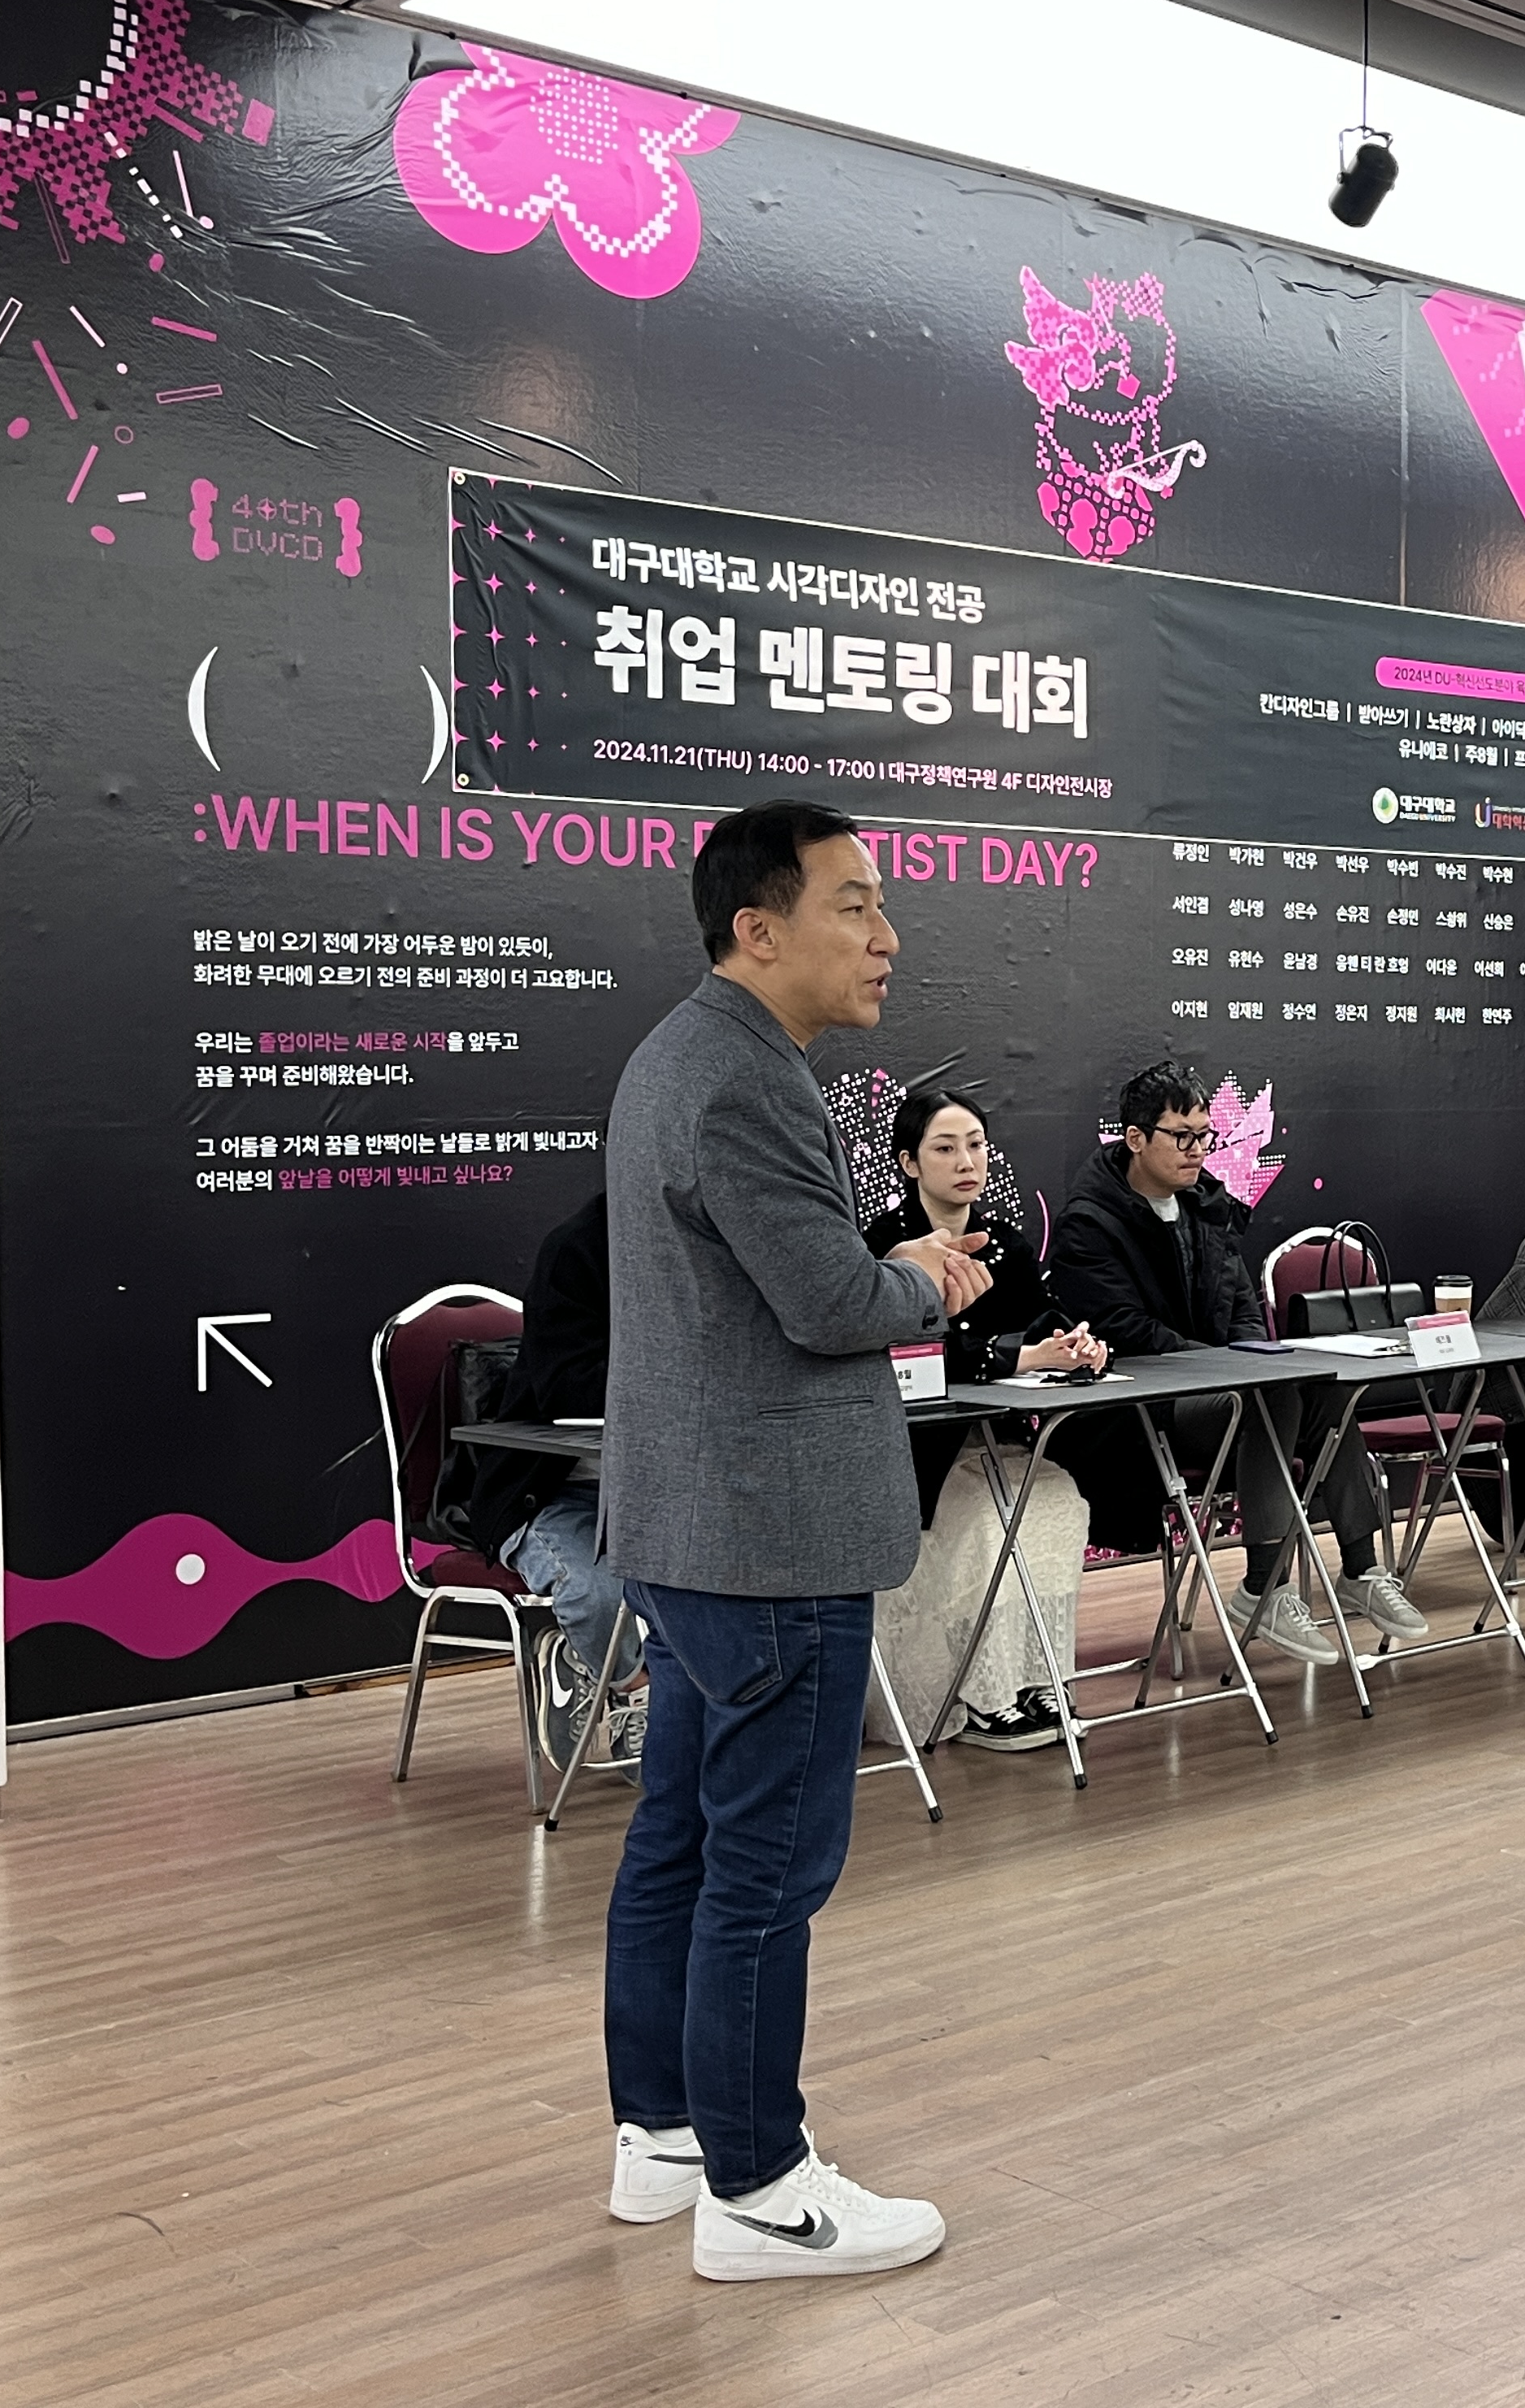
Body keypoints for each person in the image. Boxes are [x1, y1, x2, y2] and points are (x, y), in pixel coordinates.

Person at [600, 798, 989, 2283]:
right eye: (855, 904)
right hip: (766, 1534)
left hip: (700, 1522)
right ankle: (761, 2188)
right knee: (765, 1864)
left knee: (686, 1837)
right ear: (759, 927)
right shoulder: (744, 1082)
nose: (887, 936)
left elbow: (776, 1280)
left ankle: (666, 2135)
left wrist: (881, 1264)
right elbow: (826, 1304)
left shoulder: (684, 1055)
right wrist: (925, 1279)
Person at [1046, 1061, 1432, 1665]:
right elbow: (1124, 1332)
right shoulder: (1088, 1224)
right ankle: (1263, 1586)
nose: (1198, 1151)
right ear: (1136, 1138)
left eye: (1205, 1136)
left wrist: (1253, 1358)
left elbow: (1241, 1305)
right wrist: (1233, 1370)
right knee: (1270, 1395)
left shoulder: (1206, 1205)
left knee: (1323, 1387)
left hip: (1227, 1393)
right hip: (1140, 1412)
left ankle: (1361, 1569)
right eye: (1182, 1137)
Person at [860, 1087, 1109, 1753]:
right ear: (909, 1163)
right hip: (914, 1452)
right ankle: (984, 1692)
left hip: (996, 1442)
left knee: (1056, 1503)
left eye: (975, 1145)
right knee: (988, 1520)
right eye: (945, 1148)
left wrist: (1079, 1345)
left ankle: (1039, 1676)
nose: (966, 1161)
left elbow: (1046, 1317)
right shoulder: (882, 1246)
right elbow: (907, 1355)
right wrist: (1017, 1356)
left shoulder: (1005, 1243)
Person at [458, 1192, 643, 1780]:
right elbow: (569, 1387)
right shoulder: (577, 1249)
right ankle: (633, 1686)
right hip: (550, 1490)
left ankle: (592, 1658)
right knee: (597, 1593)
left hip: (655, 1489)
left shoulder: (715, 1236)